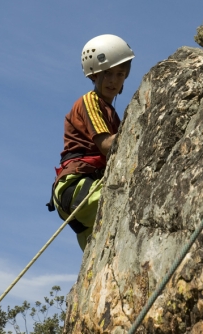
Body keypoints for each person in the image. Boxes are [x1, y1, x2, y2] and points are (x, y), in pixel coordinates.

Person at [47, 34, 135, 251]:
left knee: (105, 255)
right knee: (135, 197)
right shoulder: (91, 101)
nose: (114, 80)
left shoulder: (112, 115)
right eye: (107, 74)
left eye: (120, 74)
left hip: (83, 192)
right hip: (78, 188)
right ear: (94, 75)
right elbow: (107, 145)